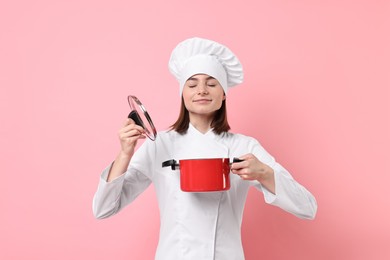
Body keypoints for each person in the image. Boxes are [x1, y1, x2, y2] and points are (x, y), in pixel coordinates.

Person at [92, 37, 317, 260]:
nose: (201, 90)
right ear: (183, 93)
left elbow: (307, 208)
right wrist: (124, 154)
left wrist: (264, 173)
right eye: (192, 84)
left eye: (211, 84)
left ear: (224, 94)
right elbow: (103, 209)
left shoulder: (244, 146)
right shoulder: (160, 145)